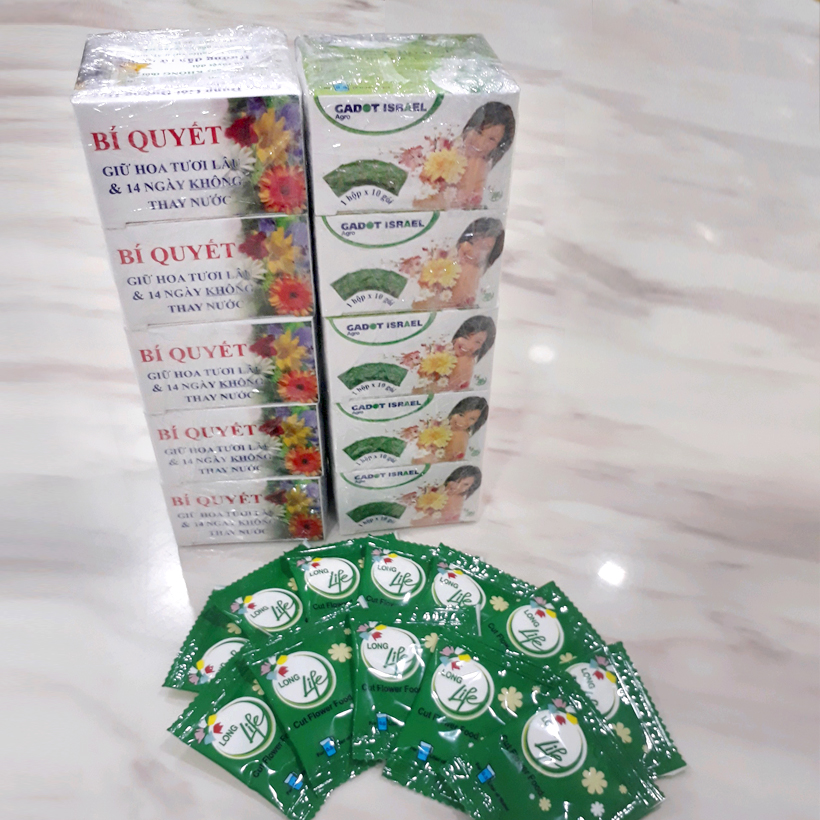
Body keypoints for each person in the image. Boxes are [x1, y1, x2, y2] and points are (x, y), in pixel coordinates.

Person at [414, 102, 516, 209]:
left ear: (498, 146)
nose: (480, 142)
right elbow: (416, 201)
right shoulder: (442, 152)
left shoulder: (485, 171)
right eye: (479, 131)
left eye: (491, 139)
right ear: (470, 126)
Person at [411, 218, 505, 310]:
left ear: (491, 254)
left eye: (484, 248)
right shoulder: (445, 257)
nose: (475, 250)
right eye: (473, 242)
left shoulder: (477, 275)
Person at [412, 396, 489, 464]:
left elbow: (447, 463)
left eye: (472, 419)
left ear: (477, 422)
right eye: (461, 415)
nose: (463, 421)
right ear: (455, 411)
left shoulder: (460, 435)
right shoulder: (439, 426)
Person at [411, 465, 482, 527]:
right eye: (456, 481)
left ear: (471, 487)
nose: (457, 487)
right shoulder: (431, 491)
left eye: (465, 484)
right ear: (451, 478)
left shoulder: (466, 502)